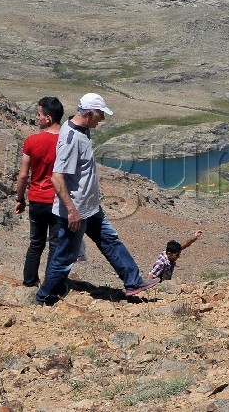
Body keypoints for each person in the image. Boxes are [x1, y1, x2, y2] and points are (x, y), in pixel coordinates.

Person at [36, 93, 158, 305]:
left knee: (110, 241)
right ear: (89, 113)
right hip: (75, 212)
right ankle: (44, 296)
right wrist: (71, 210)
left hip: (90, 208)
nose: (102, 119)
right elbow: (57, 177)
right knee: (65, 257)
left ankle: (133, 281)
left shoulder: (81, 128)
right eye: (100, 115)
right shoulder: (72, 139)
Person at [15, 96, 64, 287]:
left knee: (36, 243)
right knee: (55, 245)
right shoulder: (67, 141)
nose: (37, 118)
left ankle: (29, 281)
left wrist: (20, 198)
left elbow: (23, 175)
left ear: (48, 118)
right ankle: (51, 285)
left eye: (39, 114)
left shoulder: (32, 141)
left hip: (36, 198)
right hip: (57, 200)